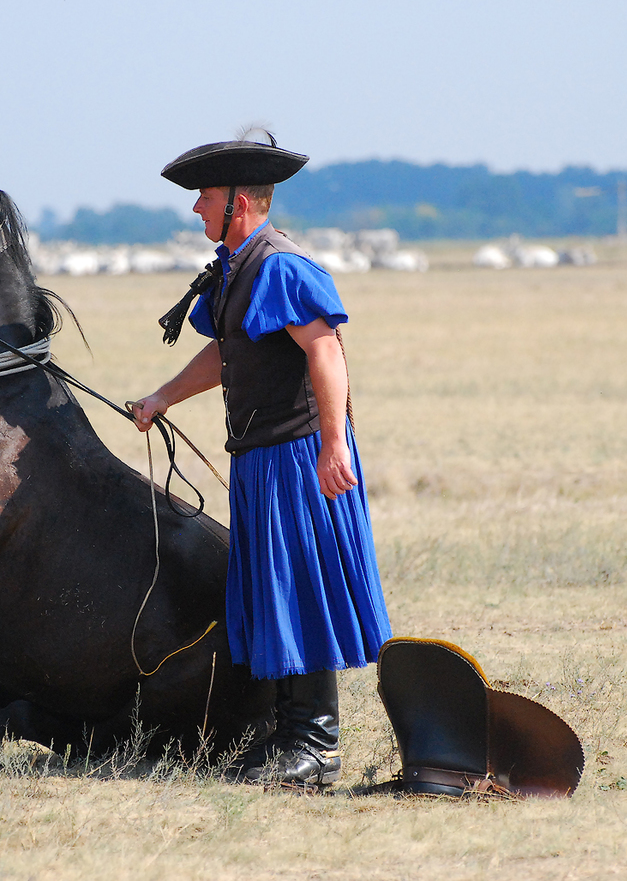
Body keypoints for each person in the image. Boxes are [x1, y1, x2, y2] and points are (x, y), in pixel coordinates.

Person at [130, 136, 392, 789]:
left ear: (239, 203)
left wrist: (334, 445)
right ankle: (283, 735)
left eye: (207, 197)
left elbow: (325, 352)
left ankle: (316, 748)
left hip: (299, 455)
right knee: (272, 594)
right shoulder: (232, 269)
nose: (195, 208)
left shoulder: (281, 266)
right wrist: (163, 397)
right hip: (257, 459)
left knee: (301, 589)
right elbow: (227, 354)